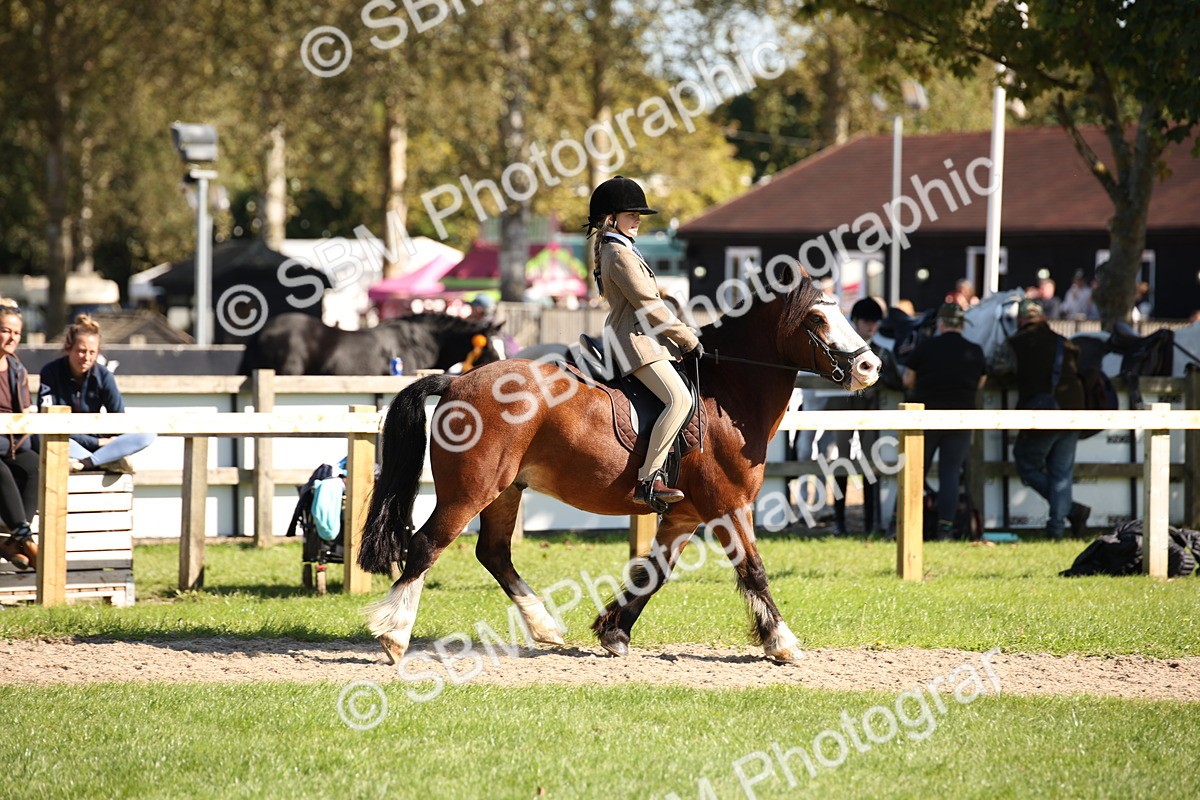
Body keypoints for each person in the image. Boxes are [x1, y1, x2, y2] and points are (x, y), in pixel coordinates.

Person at [587, 176, 700, 507]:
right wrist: (687, 337)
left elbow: (645, 294)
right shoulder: (618, 253)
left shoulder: (621, 249)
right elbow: (649, 308)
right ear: (611, 219)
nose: (637, 220)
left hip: (639, 337)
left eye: (638, 215)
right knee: (679, 400)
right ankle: (649, 480)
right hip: (635, 342)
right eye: (631, 214)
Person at [1005, 298, 1090, 538]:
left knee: (1026, 462)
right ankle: (1057, 527)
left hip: (1043, 412)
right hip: (1074, 412)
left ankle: (1072, 511)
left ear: (1021, 320)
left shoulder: (1015, 343)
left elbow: (999, 367)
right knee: (1061, 474)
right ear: (1043, 318)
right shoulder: (1064, 343)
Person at [902, 303, 987, 539]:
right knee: (950, 473)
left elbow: (908, 379)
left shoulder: (925, 347)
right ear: (962, 325)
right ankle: (945, 530)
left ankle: (906, 525)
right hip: (960, 419)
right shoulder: (975, 350)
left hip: (926, 417)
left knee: (916, 471)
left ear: (941, 324)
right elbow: (981, 382)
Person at [38, 314, 156, 473]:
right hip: (69, 440)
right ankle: (107, 460)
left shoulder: (104, 375)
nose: (86, 357)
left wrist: (109, 441)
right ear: (68, 348)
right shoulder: (50, 372)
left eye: (92, 352)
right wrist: (98, 443)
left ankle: (89, 463)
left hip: (99, 443)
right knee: (42, 437)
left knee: (147, 434)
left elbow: (119, 419)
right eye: (81, 351)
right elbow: (49, 422)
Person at [824, 297, 901, 535]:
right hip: (841, 410)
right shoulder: (840, 349)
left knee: (869, 464)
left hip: (871, 413)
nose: (871, 326)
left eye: (874, 322)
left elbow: (896, 379)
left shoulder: (882, 351)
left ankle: (871, 522)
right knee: (841, 463)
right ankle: (840, 523)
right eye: (867, 321)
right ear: (856, 321)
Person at [0, 302, 39, 570]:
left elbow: (23, 412)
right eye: (5, 331)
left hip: (11, 441)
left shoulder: (17, 369)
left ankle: (16, 539)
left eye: (17, 333)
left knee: (35, 464)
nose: (12, 337)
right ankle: (25, 538)